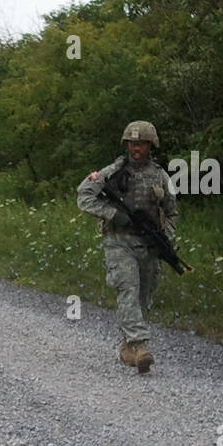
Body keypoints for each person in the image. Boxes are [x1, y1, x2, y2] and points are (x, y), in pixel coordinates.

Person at [77, 120, 179, 372]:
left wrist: (165, 237)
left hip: (148, 244)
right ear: (126, 145)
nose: (136, 149)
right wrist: (113, 214)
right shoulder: (112, 172)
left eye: (141, 144)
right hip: (118, 241)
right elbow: (84, 195)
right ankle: (140, 344)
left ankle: (127, 347)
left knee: (143, 294)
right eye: (132, 144)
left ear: (150, 145)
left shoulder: (161, 176)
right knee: (128, 287)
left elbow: (172, 212)